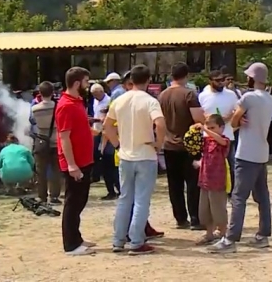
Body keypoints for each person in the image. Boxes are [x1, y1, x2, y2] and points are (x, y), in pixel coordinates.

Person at [209, 62, 272, 254]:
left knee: (239, 197)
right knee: (262, 196)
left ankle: (230, 239)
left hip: (246, 152)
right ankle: (263, 235)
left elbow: (235, 120)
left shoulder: (249, 97)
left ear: (252, 78)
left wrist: (240, 119)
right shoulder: (269, 98)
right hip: (261, 151)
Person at [104, 65, 165, 255]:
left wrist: (117, 144)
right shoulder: (150, 101)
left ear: (131, 81)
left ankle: (118, 239)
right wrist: (158, 143)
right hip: (145, 154)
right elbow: (160, 124)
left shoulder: (119, 100)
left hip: (125, 155)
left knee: (124, 199)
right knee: (141, 200)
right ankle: (137, 241)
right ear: (148, 80)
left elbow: (107, 126)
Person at [158, 63, 204, 230]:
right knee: (193, 183)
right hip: (189, 145)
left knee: (174, 184)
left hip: (169, 144)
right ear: (187, 75)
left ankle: (180, 218)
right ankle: (195, 217)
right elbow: (198, 118)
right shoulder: (189, 94)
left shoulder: (162, 96)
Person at [57, 66, 96, 256]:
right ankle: (70, 244)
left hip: (84, 160)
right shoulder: (65, 105)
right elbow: (64, 137)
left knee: (80, 201)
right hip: (75, 163)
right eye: (87, 82)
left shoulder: (77, 102)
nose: (88, 86)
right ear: (77, 83)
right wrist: (71, 164)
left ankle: (77, 237)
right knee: (73, 203)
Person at [198, 71, 239, 197]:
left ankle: (230, 192)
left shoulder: (231, 95)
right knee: (210, 165)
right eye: (218, 80)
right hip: (208, 137)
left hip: (227, 134)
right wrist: (207, 119)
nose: (221, 83)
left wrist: (229, 117)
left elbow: (238, 109)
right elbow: (199, 113)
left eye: (222, 80)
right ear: (210, 81)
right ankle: (211, 189)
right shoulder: (203, 96)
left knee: (230, 165)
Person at [194, 114, 230, 246]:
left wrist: (205, 130)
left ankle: (224, 234)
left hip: (218, 180)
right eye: (209, 127)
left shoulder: (224, 140)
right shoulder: (206, 141)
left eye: (213, 127)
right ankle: (209, 233)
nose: (210, 130)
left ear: (222, 127)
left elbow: (221, 141)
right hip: (205, 179)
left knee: (218, 208)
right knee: (205, 209)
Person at [31, 82, 63, 204]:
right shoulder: (58, 106)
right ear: (53, 92)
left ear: (40, 93)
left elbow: (32, 123)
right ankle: (54, 196)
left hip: (41, 140)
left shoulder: (35, 109)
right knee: (56, 170)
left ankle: (42, 196)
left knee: (41, 171)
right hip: (56, 140)